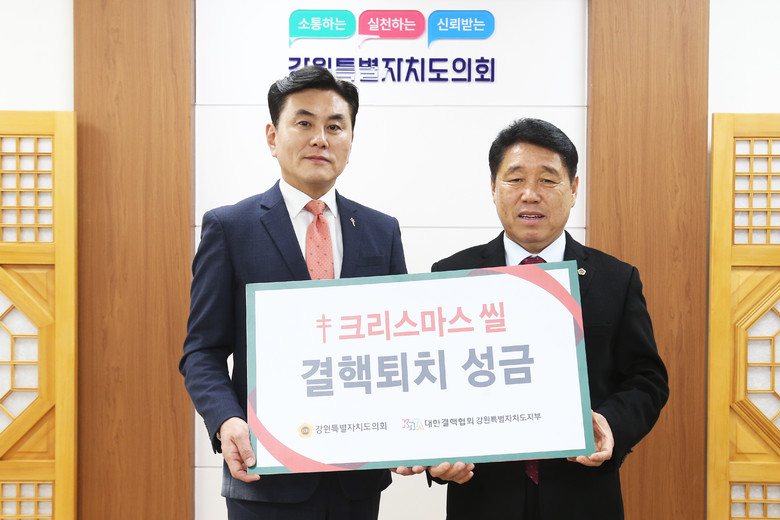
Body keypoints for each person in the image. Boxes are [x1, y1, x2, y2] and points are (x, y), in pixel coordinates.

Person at [179, 65, 407, 520]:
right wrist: (226, 420)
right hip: (266, 475)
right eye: (304, 123)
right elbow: (202, 351)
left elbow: (400, 348)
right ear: (272, 136)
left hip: (357, 479)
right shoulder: (230, 228)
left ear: (350, 140)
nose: (320, 138)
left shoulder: (381, 231)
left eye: (335, 126)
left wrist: (411, 432)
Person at [422, 118, 669, 519]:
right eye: (515, 179)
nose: (530, 194)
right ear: (493, 187)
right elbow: (428, 382)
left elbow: (647, 380)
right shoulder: (452, 275)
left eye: (548, 180)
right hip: (483, 497)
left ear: (573, 189)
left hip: (584, 496)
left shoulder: (616, 279)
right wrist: (436, 453)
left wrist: (610, 425)